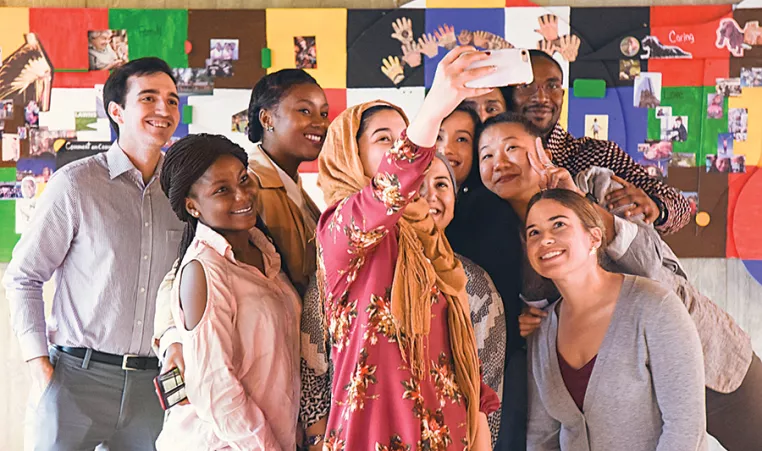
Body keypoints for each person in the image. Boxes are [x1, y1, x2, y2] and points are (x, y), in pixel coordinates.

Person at [480, 112, 762, 451]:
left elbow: (656, 269)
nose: (500, 162)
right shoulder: (499, 235)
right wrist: (524, 321)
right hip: (611, 385)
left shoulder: (594, 186)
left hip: (704, 356)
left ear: (542, 149)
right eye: (487, 155)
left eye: (512, 147)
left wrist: (580, 205)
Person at [307, 46, 499, 450]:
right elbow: (388, 190)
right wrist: (433, 110)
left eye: (404, 138)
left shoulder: (428, 238)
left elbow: (457, 349)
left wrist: (479, 430)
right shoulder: (341, 229)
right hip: (372, 435)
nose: (399, 150)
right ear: (350, 156)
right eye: (384, 140)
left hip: (447, 434)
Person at [3, 57, 183, 449]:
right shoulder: (77, 184)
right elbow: (23, 276)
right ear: (116, 111)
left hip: (154, 387)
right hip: (76, 379)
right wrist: (41, 370)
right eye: (149, 98)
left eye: (172, 100)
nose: (164, 110)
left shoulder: (183, 192)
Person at [152, 69, 328, 408]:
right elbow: (185, 269)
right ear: (267, 118)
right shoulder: (250, 185)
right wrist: (173, 337)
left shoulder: (299, 191)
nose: (318, 122)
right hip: (248, 391)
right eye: (304, 110)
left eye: (324, 113)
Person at [522, 189, 706, 450]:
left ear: (594, 237)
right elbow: (541, 436)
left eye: (559, 225)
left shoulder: (654, 307)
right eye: (534, 233)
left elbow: (686, 429)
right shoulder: (542, 332)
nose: (545, 240)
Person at [154, 134, 301, 450]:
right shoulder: (204, 269)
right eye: (222, 190)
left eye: (244, 179)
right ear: (192, 206)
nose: (243, 195)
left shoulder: (265, 249)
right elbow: (216, 390)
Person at [500, 49, 690, 234]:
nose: (541, 98)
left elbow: (680, 205)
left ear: (563, 96)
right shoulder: (491, 162)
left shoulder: (597, 154)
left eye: (552, 86)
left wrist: (657, 209)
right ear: (507, 95)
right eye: (526, 86)